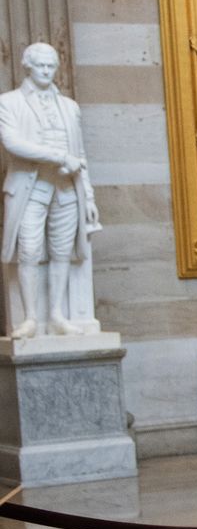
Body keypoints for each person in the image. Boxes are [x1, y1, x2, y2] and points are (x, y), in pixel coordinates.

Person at [1, 43, 100, 339]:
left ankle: (56, 314)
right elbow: (13, 144)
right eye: (40, 66)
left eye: (51, 66)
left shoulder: (70, 107)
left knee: (62, 252)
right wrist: (58, 157)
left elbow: (80, 155)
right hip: (30, 189)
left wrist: (90, 196)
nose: (46, 71)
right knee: (29, 251)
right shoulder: (9, 102)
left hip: (67, 190)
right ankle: (31, 318)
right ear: (27, 67)